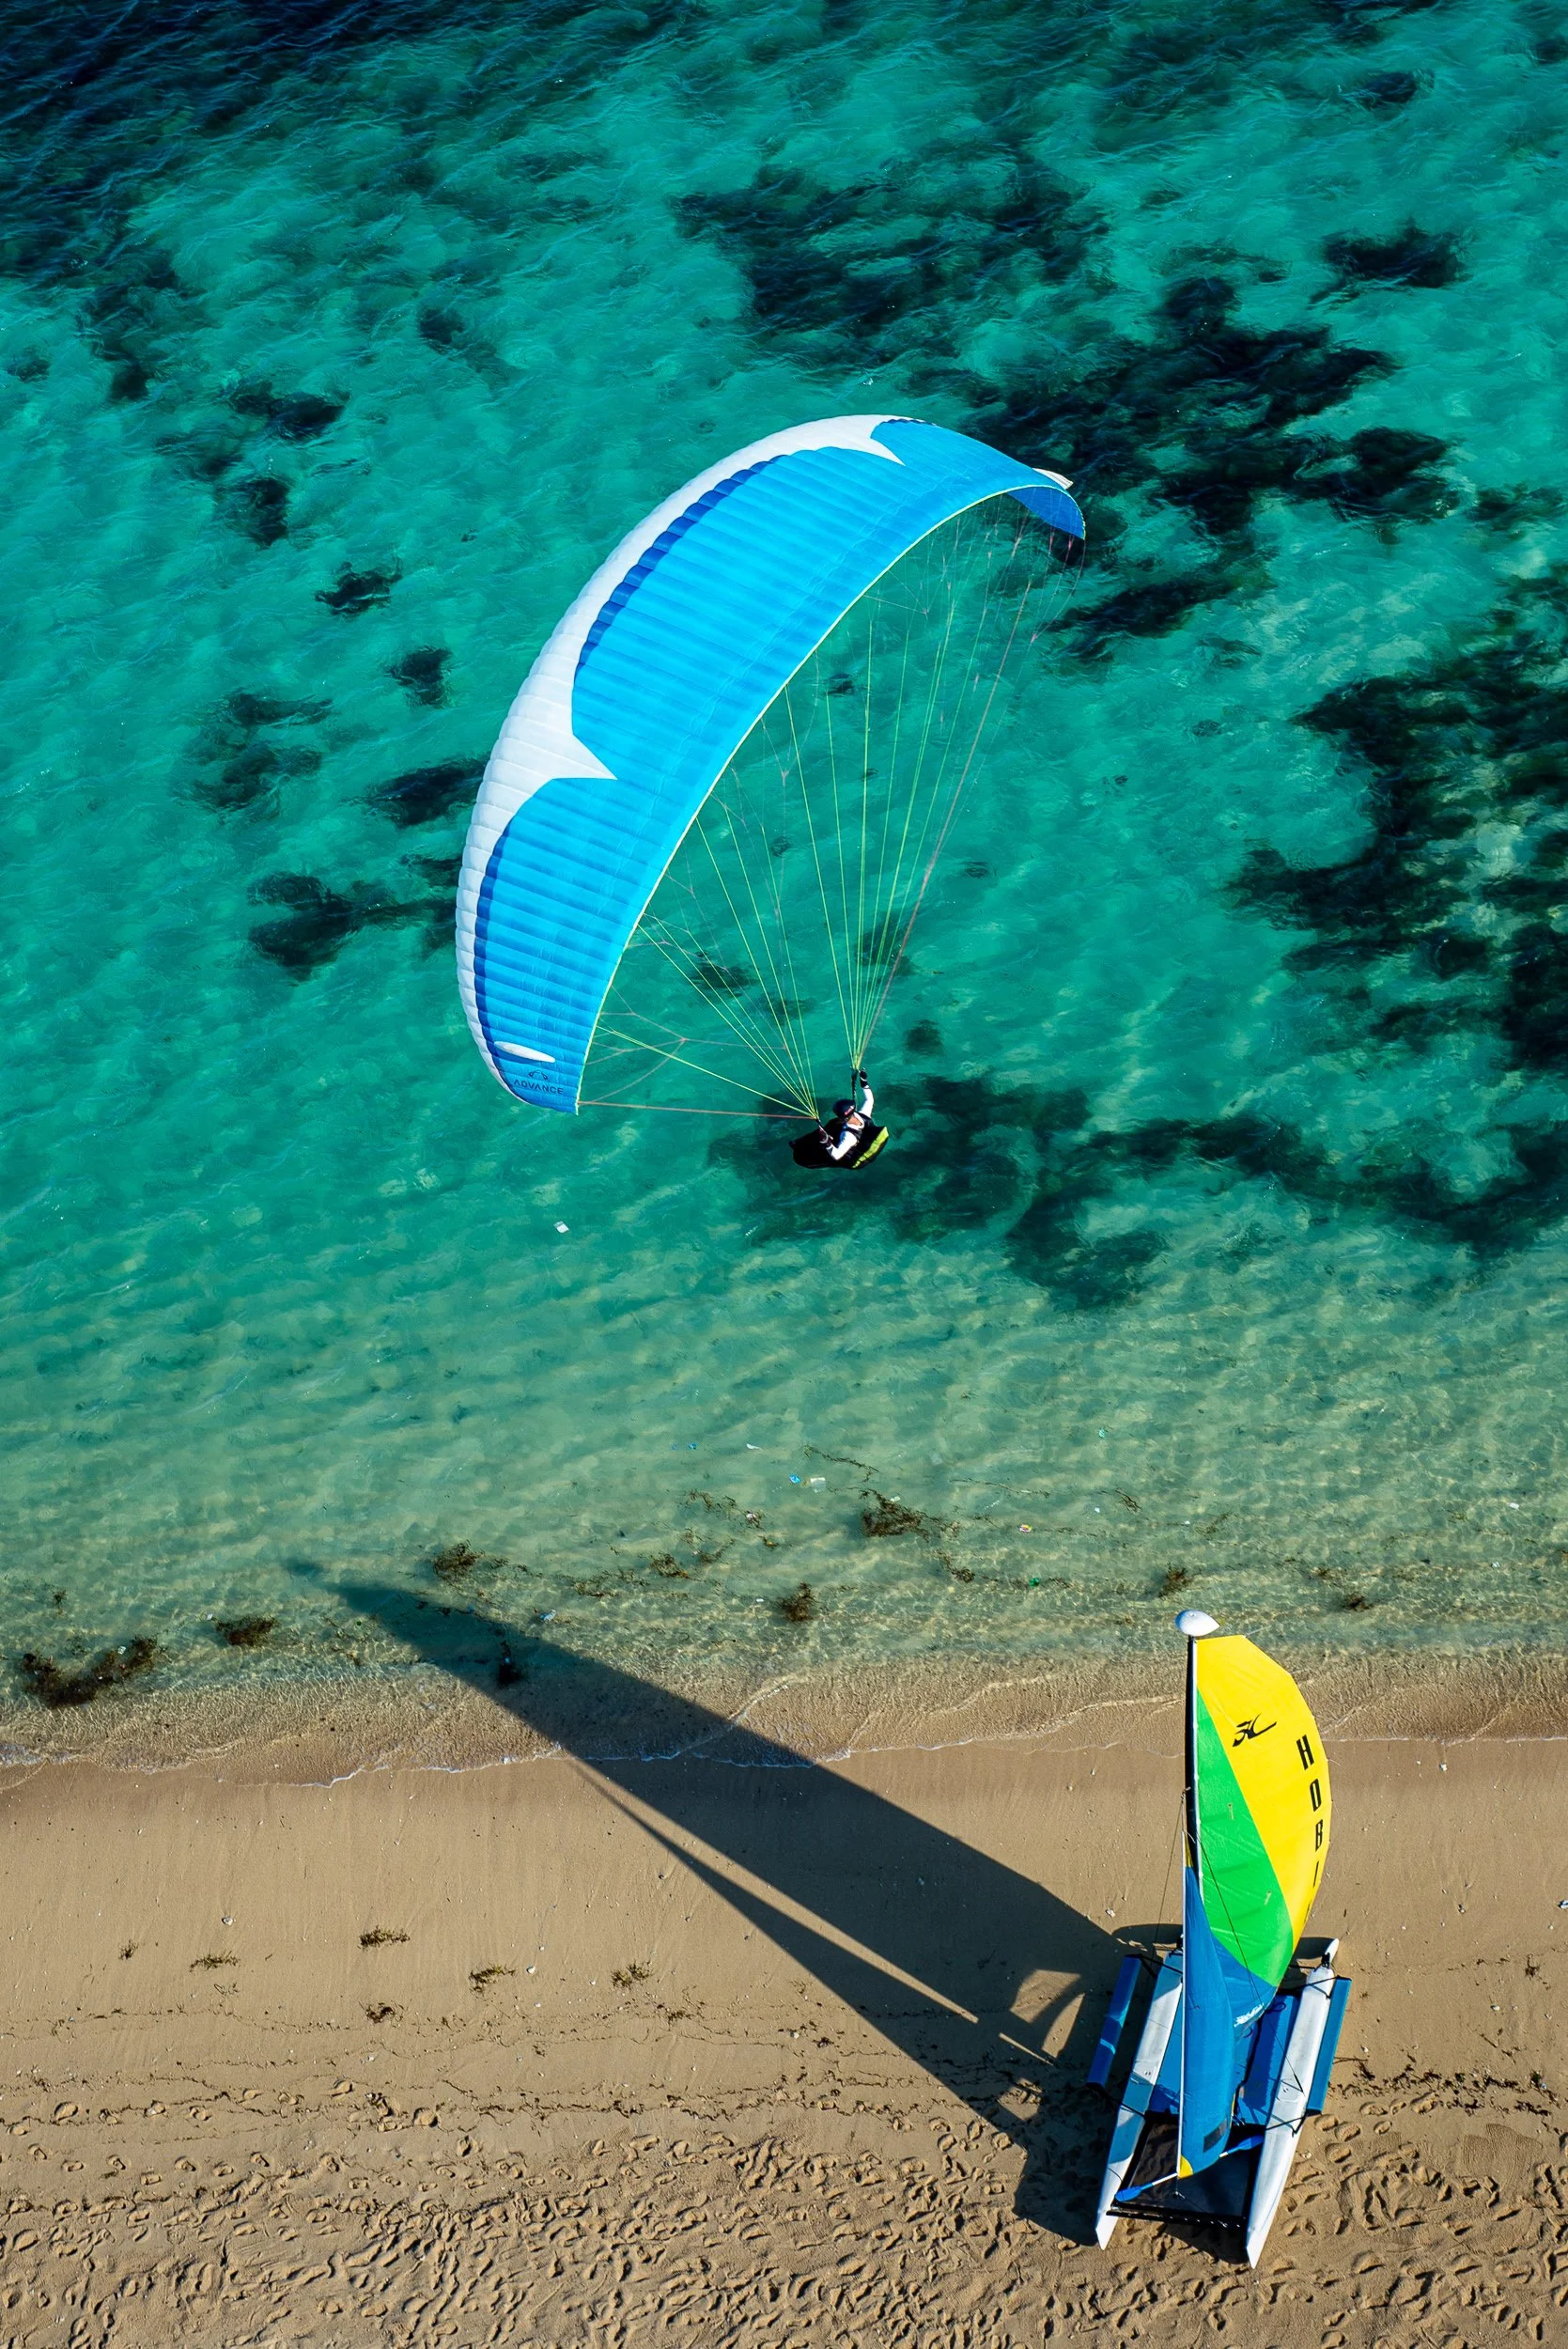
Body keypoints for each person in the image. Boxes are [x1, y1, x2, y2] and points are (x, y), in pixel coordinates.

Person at [821, 1070, 875, 1162]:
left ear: (842, 1118)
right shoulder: (864, 1114)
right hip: (864, 1134)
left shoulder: (848, 1136)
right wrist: (864, 1081)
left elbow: (836, 1156)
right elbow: (869, 1100)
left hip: (853, 1148)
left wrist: (826, 1142)